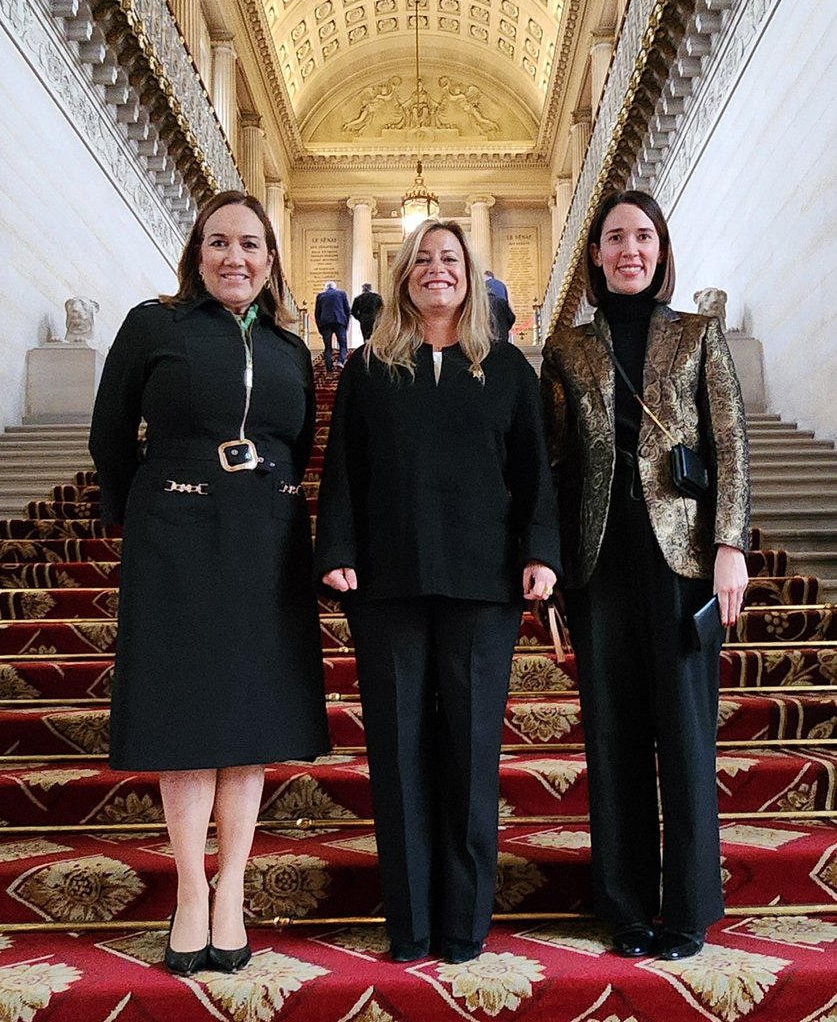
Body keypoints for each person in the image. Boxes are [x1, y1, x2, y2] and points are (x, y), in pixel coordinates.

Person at [89, 190, 329, 977]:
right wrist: (148, 512)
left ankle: (232, 894)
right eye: (219, 242)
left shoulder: (293, 349)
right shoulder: (155, 325)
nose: (236, 257)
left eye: (251, 245)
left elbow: (297, 444)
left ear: (270, 260)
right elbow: (109, 432)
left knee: (248, 720)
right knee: (187, 715)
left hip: (266, 543)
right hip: (178, 538)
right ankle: (191, 892)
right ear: (197, 253)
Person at [315, 219, 561, 964]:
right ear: (403, 277)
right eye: (422, 259)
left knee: (470, 752)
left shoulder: (508, 368)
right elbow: (343, 468)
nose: (435, 270)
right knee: (397, 753)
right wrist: (336, 550)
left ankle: (463, 924)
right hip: (386, 584)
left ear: (469, 275)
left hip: (482, 586)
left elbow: (534, 471)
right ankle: (412, 923)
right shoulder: (368, 369)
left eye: (448, 259)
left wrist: (540, 552)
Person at [540, 189, 750, 962]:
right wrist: (554, 570)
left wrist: (730, 546)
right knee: (612, 734)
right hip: (598, 561)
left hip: (684, 561)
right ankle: (625, 907)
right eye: (614, 238)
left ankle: (688, 904)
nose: (629, 249)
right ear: (594, 255)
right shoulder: (566, 349)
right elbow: (555, 462)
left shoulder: (696, 336)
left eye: (642, 237)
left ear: (660, 252)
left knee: (686, 734)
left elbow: (728, 439)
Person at [315, 279, 351, 372]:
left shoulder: (320, 296)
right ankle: (340, 361)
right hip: (339, 322)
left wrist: (320, 327)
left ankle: (329, 368)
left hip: (325, 323)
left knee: (328, 347)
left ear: (326, 288)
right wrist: (346, 324)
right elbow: (347, 310)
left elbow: (317, 313)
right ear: (335, 287)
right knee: (343, 345)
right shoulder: (342, 294)